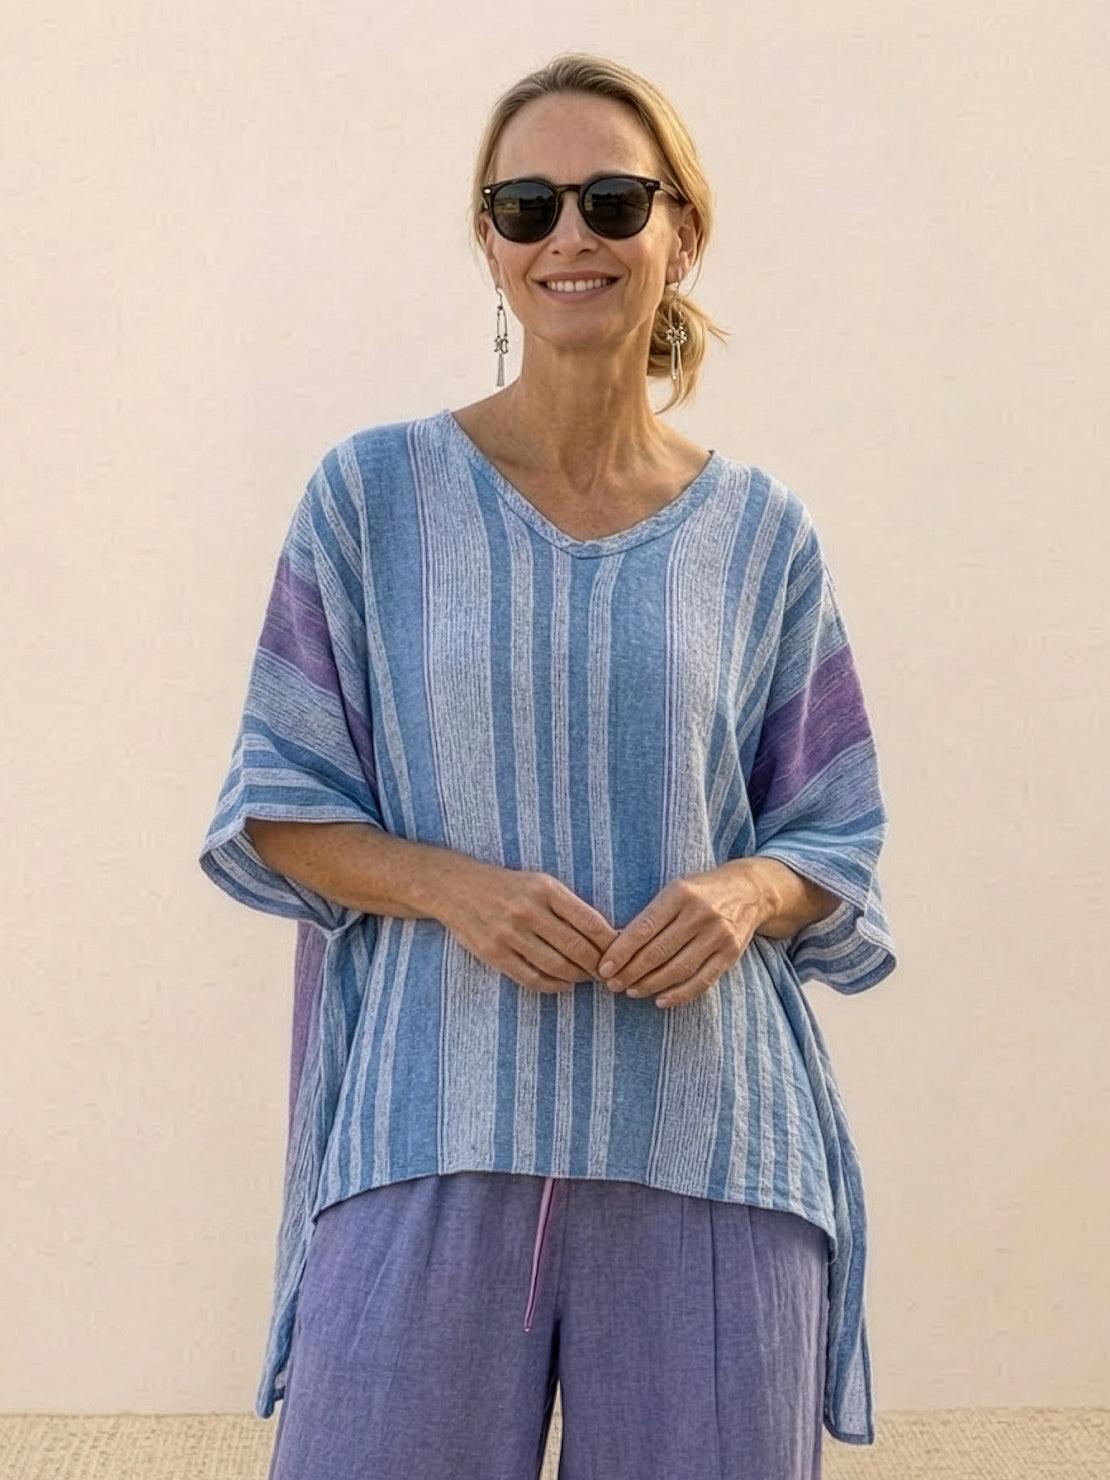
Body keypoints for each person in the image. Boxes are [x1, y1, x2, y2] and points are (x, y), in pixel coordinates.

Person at [198, 51, 898, 1480]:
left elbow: (832, 831)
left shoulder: (761, 534)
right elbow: (277, 802)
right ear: (490, 242)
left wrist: (744, 894)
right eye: (528, 205)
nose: (569, 234)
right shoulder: (370, 497)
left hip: (715, 1142)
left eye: (612, 201)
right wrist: (454, 888)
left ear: (679, 232)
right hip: (429, 1120)